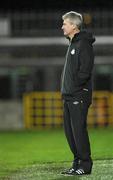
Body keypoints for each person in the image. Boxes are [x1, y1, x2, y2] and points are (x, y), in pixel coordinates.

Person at [61, 11, 95, 175]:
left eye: (65, 24)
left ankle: (85, 165)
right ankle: (76, 163)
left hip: (78, 95)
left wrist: (75, 88)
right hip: (68, 96)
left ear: (74, 26)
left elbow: (85, 71)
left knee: (79, 131)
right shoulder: (72, 43)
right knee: (70, 132)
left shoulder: (83, 44)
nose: (62, 26)